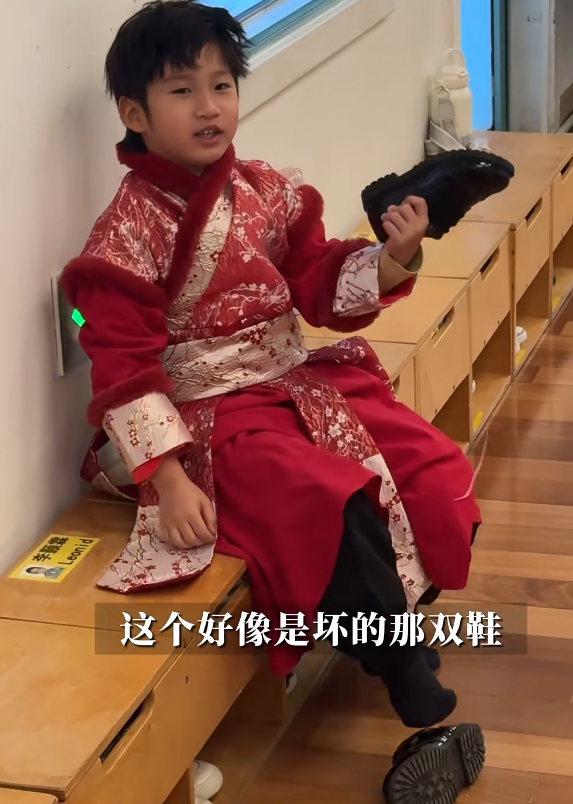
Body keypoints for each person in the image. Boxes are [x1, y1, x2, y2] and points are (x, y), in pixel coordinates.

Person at [60, 0, 481, 729]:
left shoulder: (265, 190)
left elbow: (317, 280)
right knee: (325, 497)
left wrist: (393, 256)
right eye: (182, 90)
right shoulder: (121, 236)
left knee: (428, 464)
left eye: (221, 85)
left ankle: (393, 620)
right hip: (209, 418)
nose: (209, 106)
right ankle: (400, 666)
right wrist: (167, 478)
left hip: (296, 384)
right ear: (134, 113)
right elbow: (122, 366)